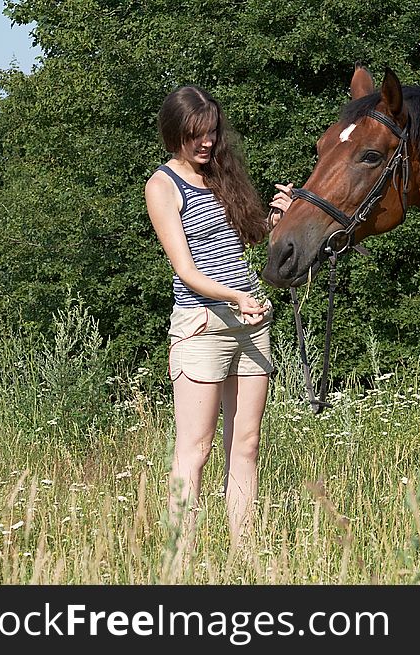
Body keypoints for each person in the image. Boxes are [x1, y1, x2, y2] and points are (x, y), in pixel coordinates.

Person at [144, 85, 292, 549]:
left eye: (211, 132)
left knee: (245, 447)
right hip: (203, 326)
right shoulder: (163, 185)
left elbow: (243, 239)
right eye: (195, 134)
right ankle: (180, 561)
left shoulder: (223, 177)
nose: (206, 142)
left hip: (251, 322)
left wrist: (277, 215)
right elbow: (186, 271)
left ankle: (244, 554)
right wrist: (236, 298)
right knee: (196, 450)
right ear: (175, 134)